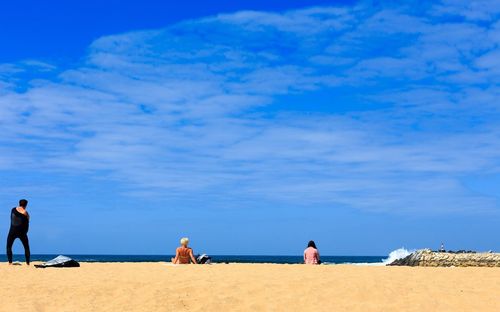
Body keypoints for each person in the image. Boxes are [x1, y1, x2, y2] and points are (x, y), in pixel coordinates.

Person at [6, 199, 31, 265]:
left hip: (12, 231)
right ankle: (28, 263)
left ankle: (10, 263)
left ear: (19, 203)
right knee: (26, 247)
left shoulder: (13, 209)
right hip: (22, 232)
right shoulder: (25, 212)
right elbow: (28, 220)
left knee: (9, 246)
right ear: (26, 205)